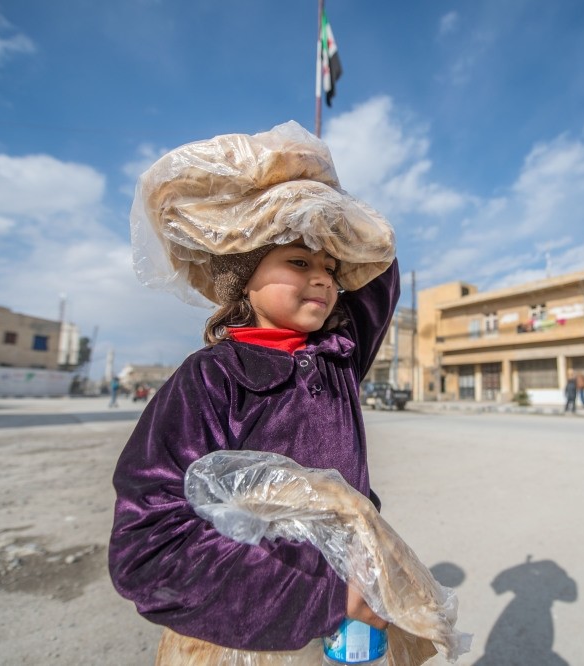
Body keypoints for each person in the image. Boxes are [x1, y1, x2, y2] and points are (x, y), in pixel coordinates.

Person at [108, 121, 398, 656]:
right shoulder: (212, 377)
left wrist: (319, 199)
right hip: (242, 635)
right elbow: (149, 547)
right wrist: (329, 594)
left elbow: (378, 272)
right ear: (245, 276)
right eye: (298, 261)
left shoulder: (336, 360)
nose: (322, 278)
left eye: (330, 268)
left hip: (345, 624)